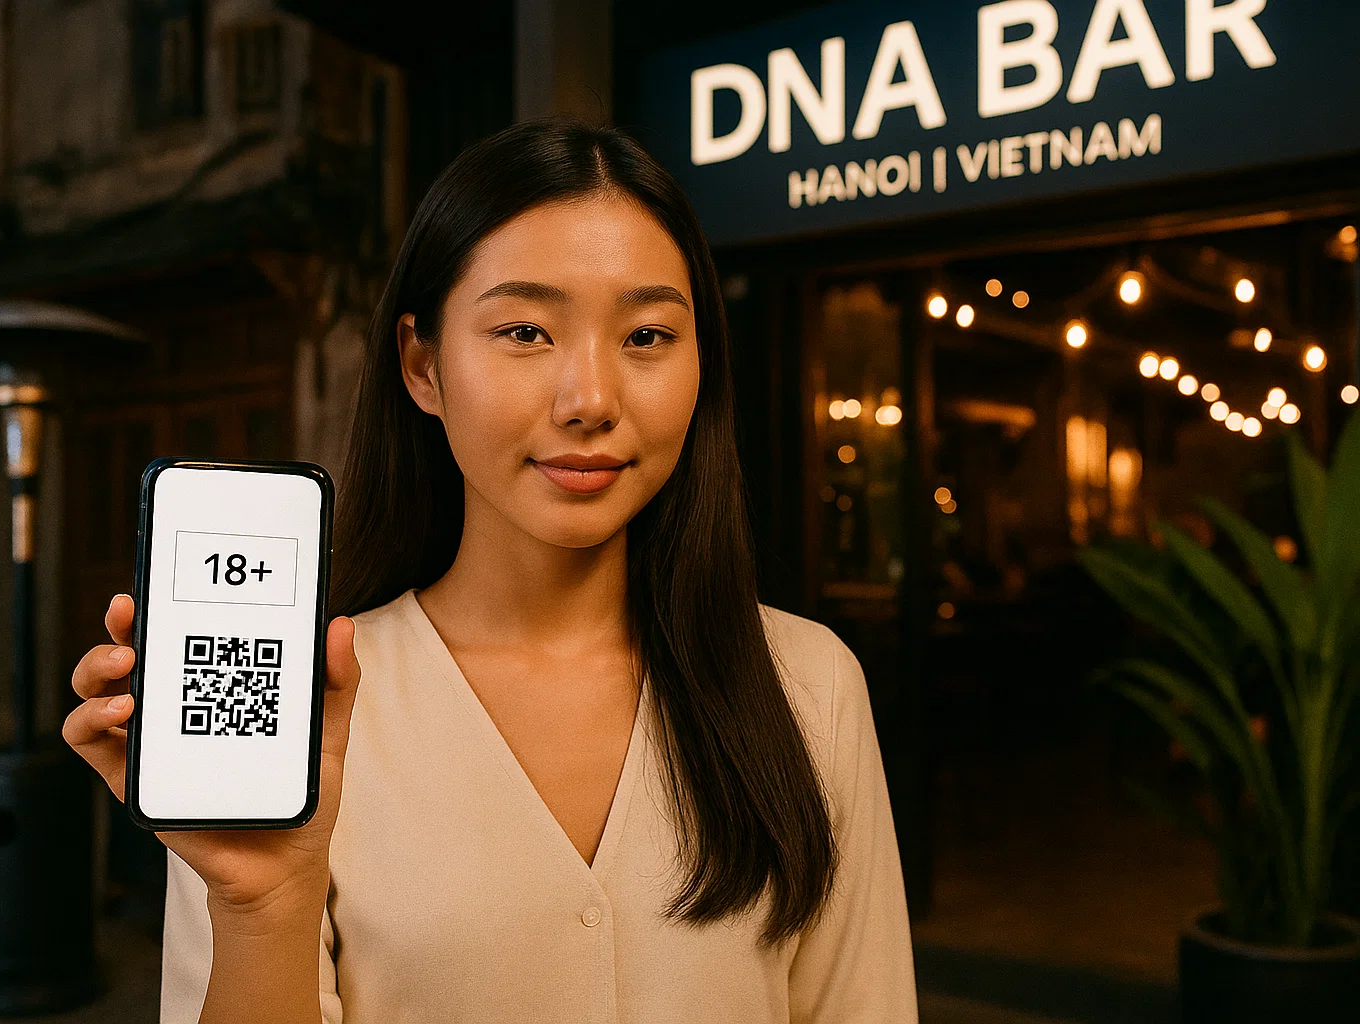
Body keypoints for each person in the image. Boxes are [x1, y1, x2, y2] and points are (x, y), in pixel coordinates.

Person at [65, 119, 917, 1023]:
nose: (591, 399)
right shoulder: (297, 707)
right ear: (423, 365)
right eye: (524, 330)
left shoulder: (808, 685)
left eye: (648, 336)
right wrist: (260, 906)